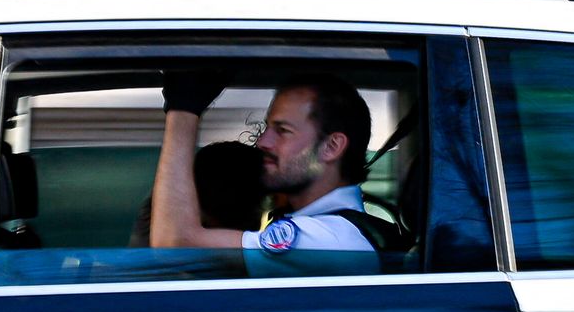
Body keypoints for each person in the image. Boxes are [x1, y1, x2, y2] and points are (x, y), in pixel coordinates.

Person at [146, 72, 393, 262]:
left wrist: (183, 107)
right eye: (267, 128)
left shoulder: (329, 240)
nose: (262, 141)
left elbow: (175, 244)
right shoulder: (331, 231)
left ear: (331, 146)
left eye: (282, 131)